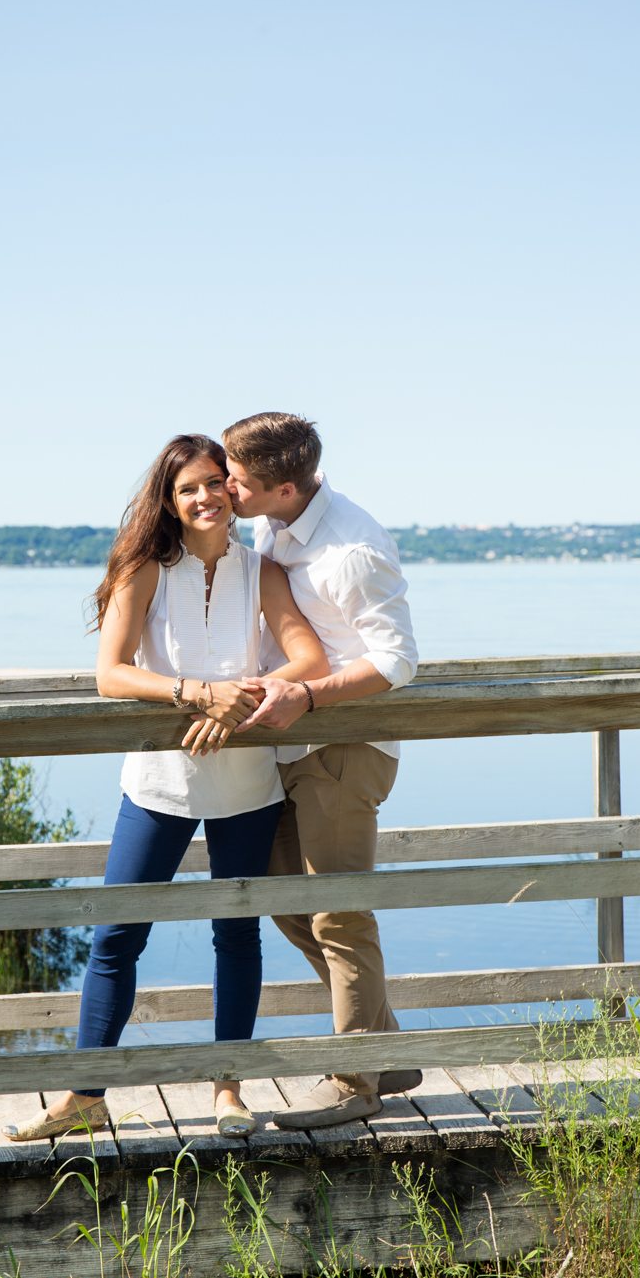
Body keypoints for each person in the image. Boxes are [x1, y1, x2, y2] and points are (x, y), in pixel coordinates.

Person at [5, 433, 328, 1143]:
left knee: (237, 935)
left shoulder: (262, 571)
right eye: (189, 488)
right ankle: (84, 1095)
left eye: (216, 482)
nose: (206, 496)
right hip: (159, 780)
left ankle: (228, 1089)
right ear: (171, 501)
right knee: (117, 936)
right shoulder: (146, 568)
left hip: (248, 779)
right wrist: (197, 694)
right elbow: (111, 674)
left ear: (232, 489)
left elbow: (306, 655)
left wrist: (242, 699)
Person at [220, 412, 419, 1130]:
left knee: (339, 913)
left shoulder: (353, 548)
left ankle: (351, 1082)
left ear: (279, 488)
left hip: (345, 747)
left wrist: (308, 694)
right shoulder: (275, 525)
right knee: (283, 898)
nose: (226, 487)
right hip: (290, 749)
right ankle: (385, 1053)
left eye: (236, 481)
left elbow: (397, 661)